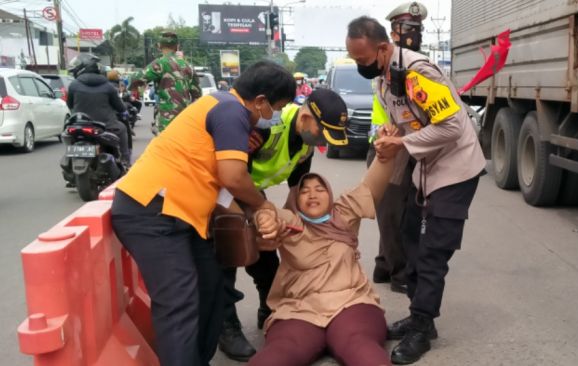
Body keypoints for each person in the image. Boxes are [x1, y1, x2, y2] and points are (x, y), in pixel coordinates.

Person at [110, 60, 296, 366]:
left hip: (181, 213)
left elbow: (218, 187)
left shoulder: (225, 110)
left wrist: (251, 225)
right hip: (149, 211)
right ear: (260, 101)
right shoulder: (229, 110)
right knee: (179, 303)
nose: (274, 117)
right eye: (276, 108)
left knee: (211, 290)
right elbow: (233, 176)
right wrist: (263, 206)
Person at [346, 16, 486, 364]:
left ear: (382, 49)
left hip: (455, 168)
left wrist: (403, 143)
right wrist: (388, 135)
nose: (359, 66)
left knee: (432, 250)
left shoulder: (418, 73)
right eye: (354, 60)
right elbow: (403, 118)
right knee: (410, 237)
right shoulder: (383, 78)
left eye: (361, 60)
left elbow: (452, 126)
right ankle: (417, 314)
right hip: (427, 167)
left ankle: (423, 327)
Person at [219, 89, 350, 362]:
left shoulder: (305, 143)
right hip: (222, 188)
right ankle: (226, 326)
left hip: (251, 192)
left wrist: (288, 228)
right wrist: (254, 216)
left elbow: (295, 189)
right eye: (322, 131)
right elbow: (228, 172)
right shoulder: (265, 127)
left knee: (268, 251)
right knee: (229, 252)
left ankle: (268, 307)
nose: (324, 141)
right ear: (305, 117)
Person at [247, 153, 398, 366]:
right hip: (300, 308)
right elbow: (267, 213)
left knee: (361, 347)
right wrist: (263, 218)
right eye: (304, 191)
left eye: (320, 189)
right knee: (281, 350)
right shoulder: (292, 222)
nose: (312, 194)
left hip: (351, 302)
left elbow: (371, 187)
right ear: (296, 200)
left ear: (329, 194)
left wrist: (385, 155)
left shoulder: (344, 213)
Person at [367, 1, 429, 294]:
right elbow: (384, 108)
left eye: (417, 29)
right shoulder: (388, 62)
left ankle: (383, 263)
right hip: (390, 145)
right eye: (407, 29)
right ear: (393, 32)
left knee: (399, 208)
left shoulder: (420, 62)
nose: (413, 34)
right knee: (392, 211)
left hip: (411, 144)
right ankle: (399, 273)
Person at [66, 54, 130, 165]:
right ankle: (125, 159)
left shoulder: (73, 85)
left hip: (79, 124)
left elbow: (70, 105)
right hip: (106, 125)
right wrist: (124, 111)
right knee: (123, 128)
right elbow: (120, 107)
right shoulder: (108, 86)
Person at [131, 31, 201, 132]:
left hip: (166, 118)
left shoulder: (160, 64)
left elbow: (135, 79)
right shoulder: (189, 66)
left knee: (165, 146)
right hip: (185, 117)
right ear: (177, 46)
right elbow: (197, 96)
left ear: (159, 46)